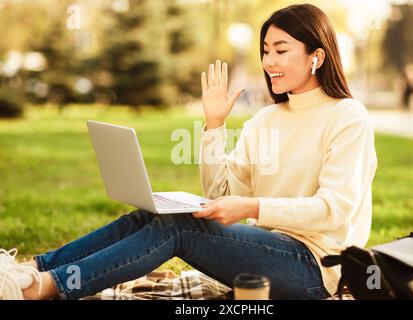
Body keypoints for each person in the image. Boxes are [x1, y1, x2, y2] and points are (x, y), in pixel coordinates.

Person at [0, 4, 377, 300]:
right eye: (265, 51)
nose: (270, 63)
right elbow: (221, 195)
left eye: (281, 50)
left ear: (317, 57)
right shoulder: (267, 119)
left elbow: (335, 208)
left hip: (316, 269)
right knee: (150, 214)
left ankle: (46, 289)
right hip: (269, 255)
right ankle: (32, 270)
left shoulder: (347, 117)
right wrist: (214, 126)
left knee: (178, 226)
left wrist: (251, 208)